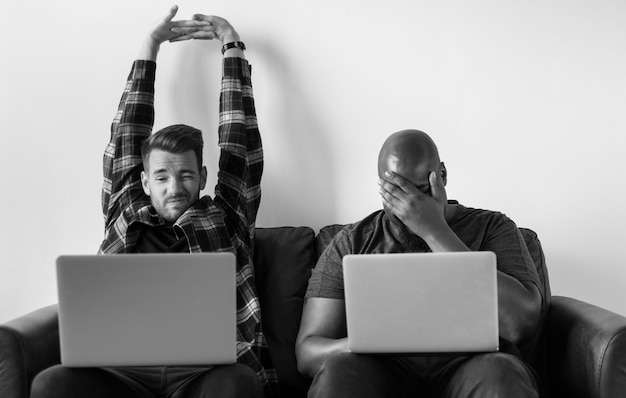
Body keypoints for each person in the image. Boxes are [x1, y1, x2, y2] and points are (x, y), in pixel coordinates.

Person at [31, 6, 275, 398]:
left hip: (203, 373)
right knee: (51, 383)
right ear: (145, 180)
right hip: (123, 372)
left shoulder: (225, 217)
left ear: (203, 178)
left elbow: (239, 139)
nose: (173, 187)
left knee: (239, 384)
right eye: (161, 177)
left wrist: (231, 43)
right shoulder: (125, 213)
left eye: (186, 175)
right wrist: (150, 46)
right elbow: (128, 130)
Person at [295, 129, 546, 397]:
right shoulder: (351, 242)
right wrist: (363, 343)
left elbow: (521, 323)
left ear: (443, 175)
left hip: (475, 368)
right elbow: (307, 352)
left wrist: (434, 230)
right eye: (396, 192)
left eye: (421, 191)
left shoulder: (492, 228)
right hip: (381, 372)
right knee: (338, 371)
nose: (409, 207)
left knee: (501, 373)